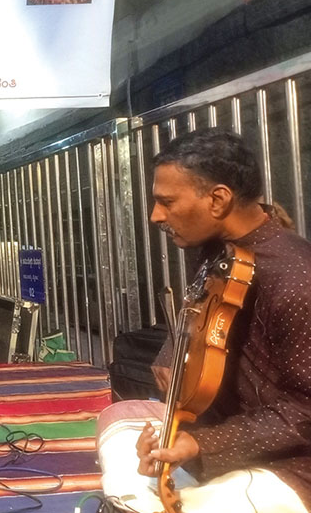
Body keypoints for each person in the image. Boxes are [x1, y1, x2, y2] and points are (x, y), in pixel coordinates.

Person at [97, 129, 311, 513]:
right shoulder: (215, 250)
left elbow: (306, 412)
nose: (155, 215)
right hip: (219, 431)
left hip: (290, 464)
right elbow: (199, 310)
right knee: (116, 420)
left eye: (167, 202)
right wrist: (173, 355)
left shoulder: (296, 277)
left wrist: (200, 444)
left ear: (218, 199)